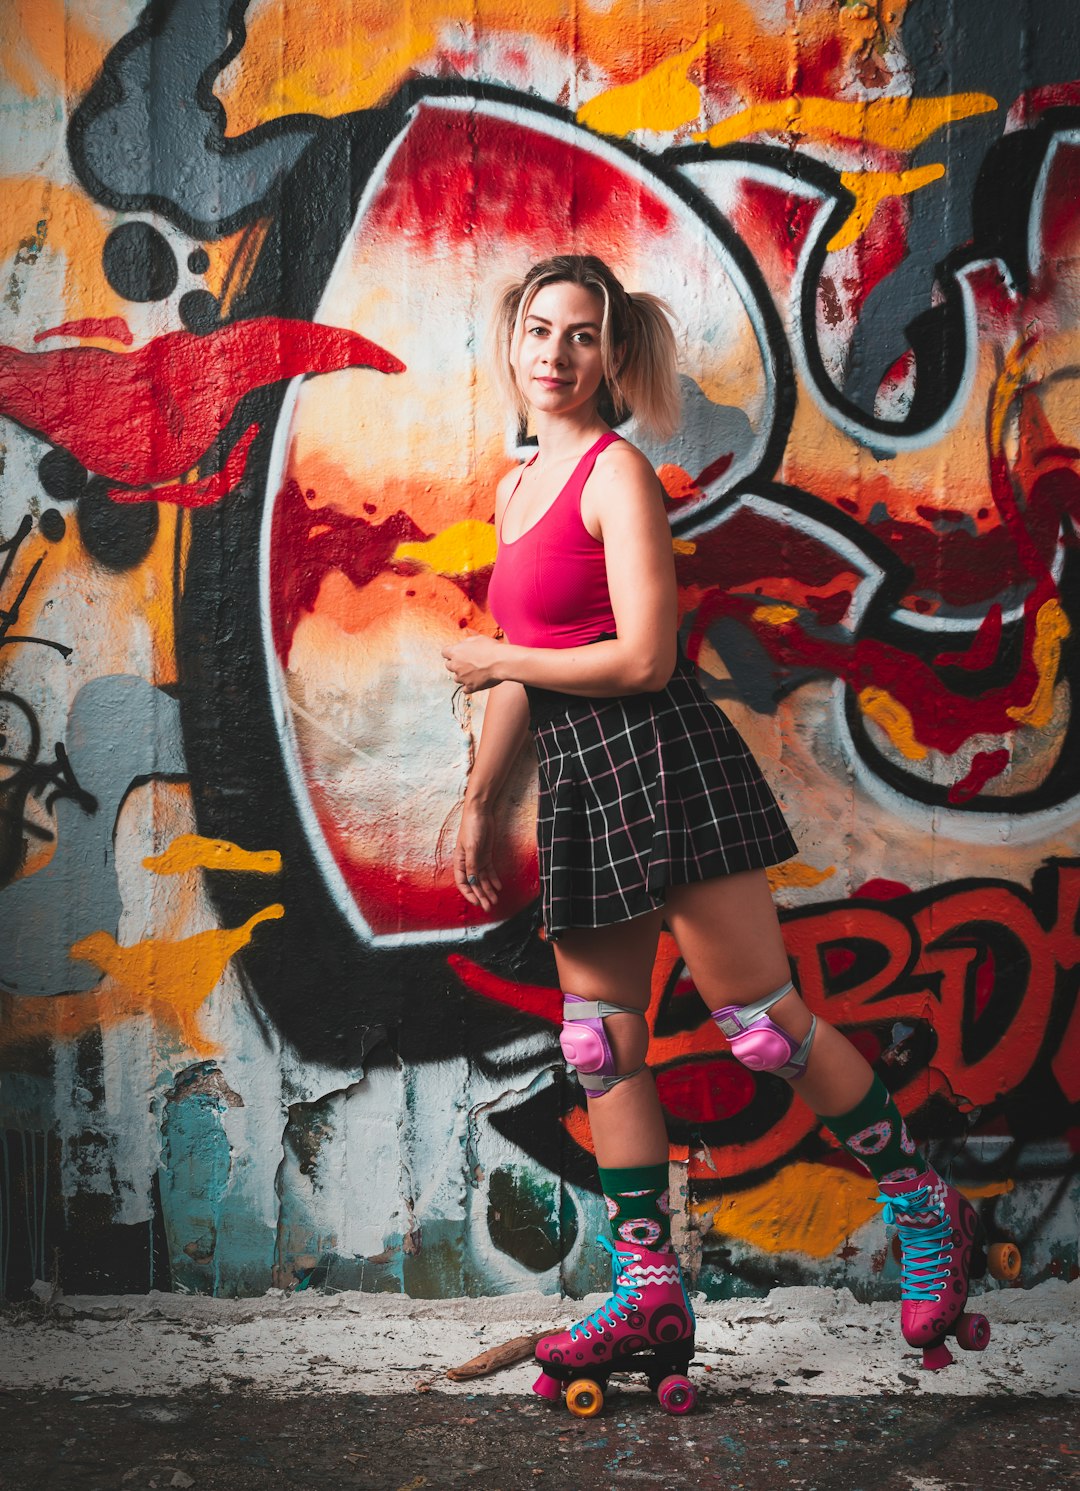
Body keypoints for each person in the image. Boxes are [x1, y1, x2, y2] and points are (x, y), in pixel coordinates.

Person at [442, 254, 986, 1406]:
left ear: (614, 354)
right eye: (539, 330)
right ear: (513, 342)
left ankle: (921, 1200)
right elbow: (519, 681)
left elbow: (643, 656)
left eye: (581, 335)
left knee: (764, 1027)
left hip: (665, 762)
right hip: (582, 783)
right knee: (601, 1044)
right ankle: (648, 1288)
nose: (555, 353)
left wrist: (500, 659)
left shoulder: (614, 473)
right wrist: (485, 801)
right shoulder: (517, 485)